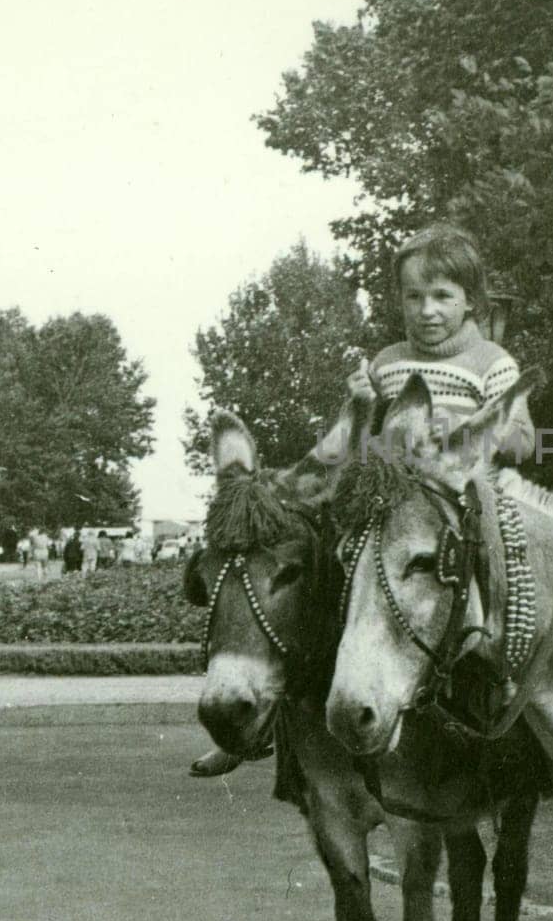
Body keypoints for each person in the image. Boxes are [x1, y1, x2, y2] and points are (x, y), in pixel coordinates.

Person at [191, 220, 534, 778]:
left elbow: (522, 437)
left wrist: (458, 431)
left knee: (507, 562)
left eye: (443, 296)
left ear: (471, 301)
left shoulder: (492, 362)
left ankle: (511, 683)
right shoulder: (387, 360)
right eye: (413, 296)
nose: (427, 310)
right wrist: (360, 405)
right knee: (315, 569)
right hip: (390, 498)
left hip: (466, 490)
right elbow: (356, 440)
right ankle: (253, 719)